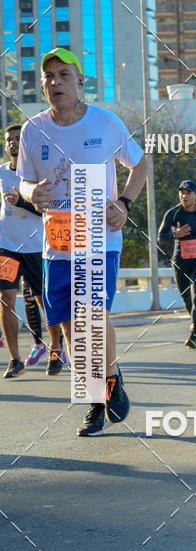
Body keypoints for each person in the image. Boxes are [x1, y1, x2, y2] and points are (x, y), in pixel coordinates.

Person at [18, 47, 147, 435]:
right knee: (72, 326)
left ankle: (103, 388)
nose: (55, 82)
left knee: (92, 315)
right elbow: (22, 179)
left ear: (79, 82)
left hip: (99, 237)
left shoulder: (105, 123)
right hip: (57, 242)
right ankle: (98, 391)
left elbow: (139, 164)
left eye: (63, 75)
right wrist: (29, 193)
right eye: (49, 77)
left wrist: (123, 203)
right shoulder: (32, 129)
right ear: (43, 85)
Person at [0, 124, 46, 377]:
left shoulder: (36, 175)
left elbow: (44, 211)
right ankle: (15, 359)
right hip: (6, 248)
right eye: (9, 140)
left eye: (18, 139)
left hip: (35, 247)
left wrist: (21, 203)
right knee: (6, 300)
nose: (13, 143)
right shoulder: (0, 173)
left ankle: (55, 348)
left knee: (41, 300)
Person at [157, 180, 196, 349]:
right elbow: (161, 236)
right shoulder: (173, 213)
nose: (184, 196)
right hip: (180, 262)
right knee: (187, 299)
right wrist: (175, 234)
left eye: (188, 193)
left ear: (195, 195)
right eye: (182, 193)